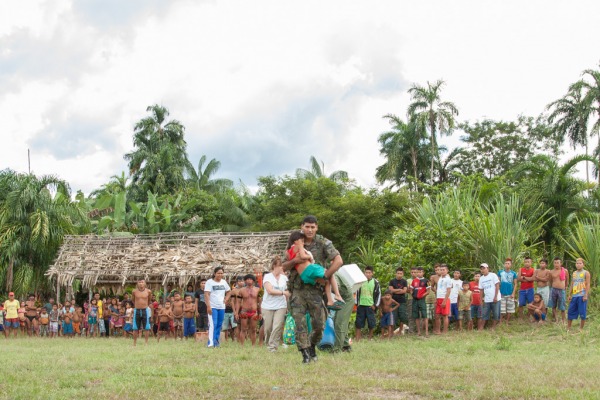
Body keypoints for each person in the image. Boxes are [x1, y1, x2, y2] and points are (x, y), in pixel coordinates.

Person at [282, 215, 343, 363]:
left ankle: (312, 346)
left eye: (313, 227)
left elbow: (338, 260)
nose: (309, 230)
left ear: (317, 227)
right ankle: (305, 355)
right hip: (297, 290)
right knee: (299, 323)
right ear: (302, 226)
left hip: (316, 290)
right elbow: (283, 266)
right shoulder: (294, 241)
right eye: (307, 226)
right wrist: (296, 260)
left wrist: (327, 276)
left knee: (319, 325)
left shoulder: (323, 243)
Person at [286, 230, 344, 310]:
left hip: (304, 276)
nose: (303, 243)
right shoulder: (299, 246)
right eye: (302, 241)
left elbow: (289, 261)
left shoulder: (288, 251)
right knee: (330, 274)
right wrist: (309, 256)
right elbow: (303, 256)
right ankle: (336, 295)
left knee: (326, 281)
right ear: (296, 241)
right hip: (310, 269)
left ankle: (330, 301)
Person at [261, 256, 289, 352]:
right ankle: (268, 342)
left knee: (277, 326)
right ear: (274, 266)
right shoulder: (267, 277)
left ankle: (273, 347)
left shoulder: (285, 278)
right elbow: (269, 290)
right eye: (280, 266)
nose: (282, 268)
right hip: (267, 305)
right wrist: (283, 293)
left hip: (281, 305)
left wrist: (288, 303)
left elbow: (288, 291)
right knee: (268, 328)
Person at [205, 266, 231, 348]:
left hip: (221, 307)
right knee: (213, 324)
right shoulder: (209, 282)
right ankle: (211, 343)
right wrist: (208, 306)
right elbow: (206, 294)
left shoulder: (224, 282)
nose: (220, 275)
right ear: (214, 273)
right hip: (212, 306)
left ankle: (216, 341)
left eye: (221, 273)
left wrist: (226, 299)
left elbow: (229, 291)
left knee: (219, 324)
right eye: (218, 273)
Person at [355, 266, 381, 342]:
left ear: (372, 273)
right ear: (364, 273)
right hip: (361, 305)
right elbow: (356, 292)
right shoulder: (360, 281)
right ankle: (357, 339)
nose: (368, 274)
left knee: (371, 322)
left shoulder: (376, 282)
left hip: (370, 306)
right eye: (366, 272)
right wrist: (357, 304)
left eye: (369, 272)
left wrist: (375, 305)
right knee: (359, 323)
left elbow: (379, 295)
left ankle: (370, 338)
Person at [567, 258, 591, 332]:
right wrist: (569, 294)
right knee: (570, 311)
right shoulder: (574, 273)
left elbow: (588, 284)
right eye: (577, 263)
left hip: (582, 295)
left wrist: (586, 295)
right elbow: (572, 284)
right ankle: (568, 328)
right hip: (574, 295)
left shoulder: (586, 273)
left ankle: (581, 328)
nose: (578, 264)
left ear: (583, 264)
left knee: (582, 312)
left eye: (580, 263)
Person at [237, 274, 261, 346]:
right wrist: (236, 312)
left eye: (250, 279)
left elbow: (260, 302)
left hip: (254, 312)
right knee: (243, 329)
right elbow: (238, 302)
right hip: (244, 311)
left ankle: (253, 345)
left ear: (253, 281)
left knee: (253, 329)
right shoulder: (241, 290)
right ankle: (242, 345)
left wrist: (260, 313)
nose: (249, 280)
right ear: (245, 280)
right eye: (247, 279)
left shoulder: (258, 290)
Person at [478, 263, 501, 330]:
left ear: (487, 268)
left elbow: (497, 286)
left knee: (496, 314)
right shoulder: (481, 278)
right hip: (487, 299)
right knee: (484, 314)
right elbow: (481, 290)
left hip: (495, 299)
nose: (482, 270)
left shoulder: (493, 275)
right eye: (481, 269)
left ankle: (493, 327)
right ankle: (481, 328)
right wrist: (481, 300)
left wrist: (495, 296)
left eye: (484, 268)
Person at [409, 267, 429, 337]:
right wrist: (412, 294)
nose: (419, 273)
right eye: (417, 272)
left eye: (420, 272)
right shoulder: (414, 281)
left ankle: (426, 332)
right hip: (415, 300)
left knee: (425, 316)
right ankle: (419, 332)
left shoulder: (426, 281)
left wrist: (422, 295)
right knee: (416, 316)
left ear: (423, 273)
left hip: (422, 300)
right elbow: (411, 289)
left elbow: (428, 291)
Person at [132, 279, 152, 346]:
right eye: (139, 282)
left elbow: (149, 300)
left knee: (146, 327)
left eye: (142, 282)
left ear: (145, 283)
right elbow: (133, 300)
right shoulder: (134, 291)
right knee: (135, 328)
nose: (141, 283)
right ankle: (134, 343)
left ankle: (146, 343)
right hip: (137, 310)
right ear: (137, 283)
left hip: (145, 310)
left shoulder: (148, 291)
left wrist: (145, 306)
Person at [388, 267, 408, 335]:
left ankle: (400, 331)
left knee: (402, 316)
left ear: (403, 274)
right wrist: (399, 290)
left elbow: (404, 291)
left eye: (401, 273)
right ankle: (391, 332)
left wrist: (395, 291)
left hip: (402, 301)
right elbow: (390, 290)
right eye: (398, 273)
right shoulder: (392, 281)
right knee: (393, 316)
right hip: (393, 301)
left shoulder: (404, 281)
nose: (399, 275)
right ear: (395, 274)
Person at [548, 257, 569, 323]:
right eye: (555, 263)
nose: (556, 264)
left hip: (561, 290)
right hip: (553, 289)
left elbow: (567, 280)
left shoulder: (565, 271)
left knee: (562, 305)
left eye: (557, 263)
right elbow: (550, 281)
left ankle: (563, 320)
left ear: (561, 263)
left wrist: (566, 287)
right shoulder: (551, 272)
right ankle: (556, 319)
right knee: (553, 305)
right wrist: (551, 288)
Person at [498, 258, 518, 325]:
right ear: (504, 264)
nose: (507, 265)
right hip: (502, 293)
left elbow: (515, 284)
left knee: (510, 309)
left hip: (510, 293)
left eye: (508, 263)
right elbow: (498, 283)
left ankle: (507, 322)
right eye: (506, 263)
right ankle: (500, 322)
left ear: (511, 265)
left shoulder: (513, 273)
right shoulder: (500, 272)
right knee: (502, 309)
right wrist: (498, 293)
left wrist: (513, 293)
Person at [434, 264, 452, 334]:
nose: (442, 271)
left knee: (445, 316)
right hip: (438, 298)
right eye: (441, 270)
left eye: (443, 270)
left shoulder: (448, 279)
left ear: (447, 270)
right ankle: (438, 331)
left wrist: (444, 301)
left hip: (445, 299)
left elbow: (449, 290)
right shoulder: (440, 278)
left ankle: (445, 331)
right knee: (437, 315)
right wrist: (436, 299)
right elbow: (438, 289)